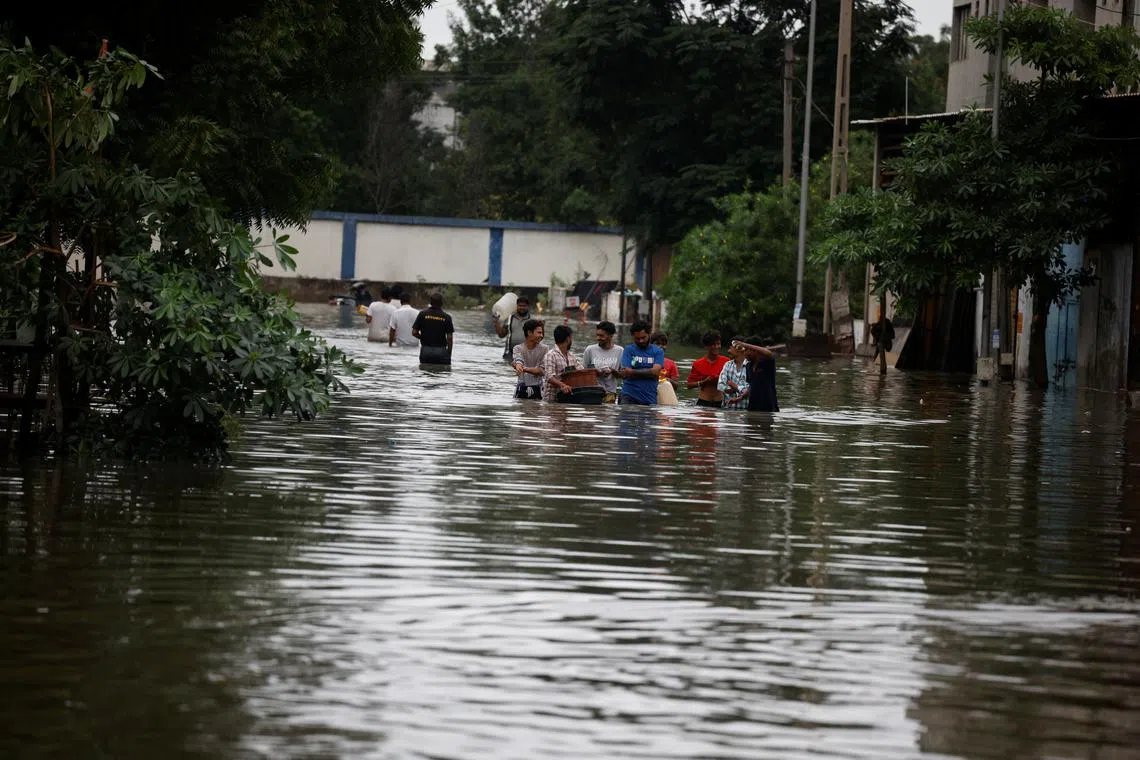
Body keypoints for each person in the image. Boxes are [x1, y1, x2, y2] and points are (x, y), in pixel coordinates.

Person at [618, 321, 664, 406]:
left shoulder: (658, 351)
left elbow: (656, 372)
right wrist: (649, 372)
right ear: (633, 336)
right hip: (628, 396)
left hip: (649, 398)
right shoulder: (628, 350)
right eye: (637, 338)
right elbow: (625, 373)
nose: (641, 340)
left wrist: (632, 371)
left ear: (649, 334)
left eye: (643, 337)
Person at [734, 336, 780, 412]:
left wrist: (744, 344)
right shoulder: (748, 366)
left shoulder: (767, 363)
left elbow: (769, 353)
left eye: (747, 350)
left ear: (755, 350)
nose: (745, 353)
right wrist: (741, 398)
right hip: (752, 407)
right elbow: (752, 386)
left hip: (768, 408)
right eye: (744, 350)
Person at [686, 330, 730, 408]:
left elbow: (732, 382)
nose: (716, 347)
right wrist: (704, 381)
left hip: (720, 402)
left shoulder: (726, 361)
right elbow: (689, 385)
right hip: (703, 402)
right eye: (713, 344)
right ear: (706, 346)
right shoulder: (697, 364)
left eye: (718, 344)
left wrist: (720, 380)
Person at [582, 321, 624, 403]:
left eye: (601, 336)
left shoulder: (620, 351)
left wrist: (612, 371)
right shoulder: (590, 350)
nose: (598, 338)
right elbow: (584, 373)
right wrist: (596, 372)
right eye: (597, 335)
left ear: (610, 336)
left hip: (610, 394)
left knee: (609, 414)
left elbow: (623, 375)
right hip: (592, 393)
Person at [412, 292, 455, 365]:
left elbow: (414, 332)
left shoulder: (422, 314)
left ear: (430, 302)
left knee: (425, 374)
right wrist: (449, 354)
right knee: (441, 375)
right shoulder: (447, 317)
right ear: (441, 303)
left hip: (426, 351)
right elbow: (449, 338)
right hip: (441, 351)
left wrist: (424, 338)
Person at [541, 324, 581, 402]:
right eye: (571, 338)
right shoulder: (551, 355)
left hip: (566, 400)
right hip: (551, 402)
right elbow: (549, 377)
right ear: (568, 339)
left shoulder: (571, 356)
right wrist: (562, 385)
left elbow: (581, 371)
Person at [512, 319, 548, 400]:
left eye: (542, 333)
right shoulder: (518, 348)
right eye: (539, 333)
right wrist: (517, 364)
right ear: (529, 333)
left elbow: (541, 371)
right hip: (522, 387)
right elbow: (518, 359)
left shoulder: (544, 349)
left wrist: (522, 368)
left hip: (538, 388)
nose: (541, 335)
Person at [717, 335, 751, 410]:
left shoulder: (750, 366)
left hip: (745, 411)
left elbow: (752, 390)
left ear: (739, 348)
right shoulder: (727, 365)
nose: (728, 350)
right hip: (727, 410)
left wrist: (735, 387)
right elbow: (720, 386)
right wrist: (738, 389)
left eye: (730, 347)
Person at [496, 295, 533, 361]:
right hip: (509, 354)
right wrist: (496, 323)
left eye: (524, 306)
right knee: (507, 370)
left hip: (526, 355)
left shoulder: (532, 321)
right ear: (517, 306)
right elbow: (501, 335)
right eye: (520, 305)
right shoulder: (509, 318)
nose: (521, 308)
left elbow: (537, 339)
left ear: (527, 307)